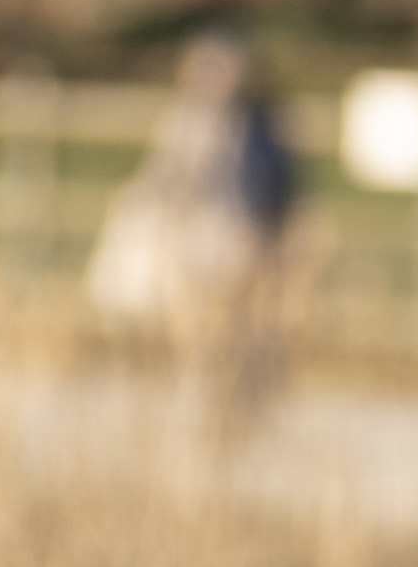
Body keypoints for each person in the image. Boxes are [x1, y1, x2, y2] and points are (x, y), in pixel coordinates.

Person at [85, 29, 301, 410]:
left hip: (227, 233)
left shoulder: (255, 125)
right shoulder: (187, 117)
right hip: (189, 231)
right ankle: (174, 372)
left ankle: (218, 379)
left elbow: (265, 191)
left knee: (218, 312)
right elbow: (165, 171)